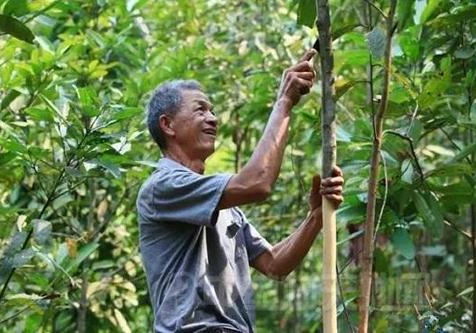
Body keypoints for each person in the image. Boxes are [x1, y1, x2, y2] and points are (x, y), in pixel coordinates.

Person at [137, 49, 344, 333]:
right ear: (167, 125)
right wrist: (284, 103)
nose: (212, 118)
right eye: (200, 110)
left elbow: (275, 264)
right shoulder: (162, 187)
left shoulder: (224, 205)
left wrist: (316, 217)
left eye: (212, 110)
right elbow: (258, 183)